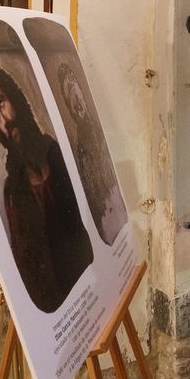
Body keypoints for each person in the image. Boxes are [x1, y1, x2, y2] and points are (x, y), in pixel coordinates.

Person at [0, 66, 93, 313]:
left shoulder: (55, 154)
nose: (5, 120)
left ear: (14, 98)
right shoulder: (14, 190)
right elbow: (28, 266)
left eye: (2, 103)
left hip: (87, 288)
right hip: (55, 307)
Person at [57, 63, 127, 245]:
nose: (75, 101)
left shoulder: (99, 128)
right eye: (68, 97)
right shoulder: (82, 149)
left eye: (75, 90)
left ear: (81, 90)